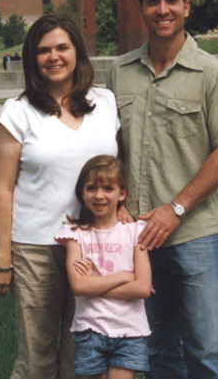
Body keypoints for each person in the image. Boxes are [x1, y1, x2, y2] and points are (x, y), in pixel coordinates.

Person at [107, 0, 218, 379]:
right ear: (141, 10)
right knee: (157, 352)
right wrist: (119, 202)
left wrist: (176, 207)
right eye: (153, 1)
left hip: (194, 235)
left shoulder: (212, 73)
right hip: (138, 237)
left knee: (203, 351)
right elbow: (115, 145)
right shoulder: (120, 71)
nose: (162, 9)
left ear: (186, 7)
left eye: (171, 0)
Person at [0, 13, 122, 379]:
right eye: (43, 50)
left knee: (83, 354)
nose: (54, 56)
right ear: (33, 59)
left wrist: (122, 210)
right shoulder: (17, 113)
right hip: (36, 248)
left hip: (94, 246)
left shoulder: (105, 103)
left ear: (77, 50)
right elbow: (1, 189)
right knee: (38, 357)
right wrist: (3, 259)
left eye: (62, 47)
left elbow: (117, 168)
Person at [55, 155, 152, 379]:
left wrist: (94, 284)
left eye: (108, 188)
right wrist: (127, 276)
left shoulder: (136, 232)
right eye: (91, 188)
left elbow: (142, 289)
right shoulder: (74, 234)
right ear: (82, 193)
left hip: (129, 331)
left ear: (122, 193)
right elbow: (79, 286)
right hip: (91, 330)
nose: (99, 195)